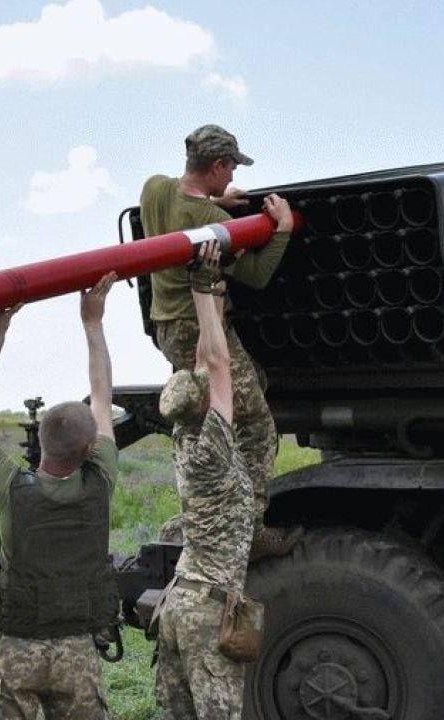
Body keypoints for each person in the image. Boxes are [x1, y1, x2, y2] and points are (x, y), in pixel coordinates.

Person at [0, 273, 119, 720]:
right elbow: (102, 398)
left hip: (15, 651)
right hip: (77, 651)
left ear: (41, 440)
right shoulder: (100, 481)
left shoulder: (11, 488)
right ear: (89, 451)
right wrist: (93, 322)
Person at [139, 123, 299, 558]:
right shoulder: (212, 223)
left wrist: (213, 200)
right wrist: (281, 229)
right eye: (230, 169)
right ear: (217, 165)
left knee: (202, 419)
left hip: (166, 326)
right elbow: (256, 275)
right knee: (257, 428)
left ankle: (195, 514)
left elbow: (181, 203)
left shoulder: (153, 189)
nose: (232, 178)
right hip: (202, 328)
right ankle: (248, 529)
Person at [153, 243, 255, 720]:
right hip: (205, 612)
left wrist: (207, 296)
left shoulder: (183, 435)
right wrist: (203, 285)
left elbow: (202, 361)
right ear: (203, 405)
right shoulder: (213, 446)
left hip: (178, 606)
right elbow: (217, 364)